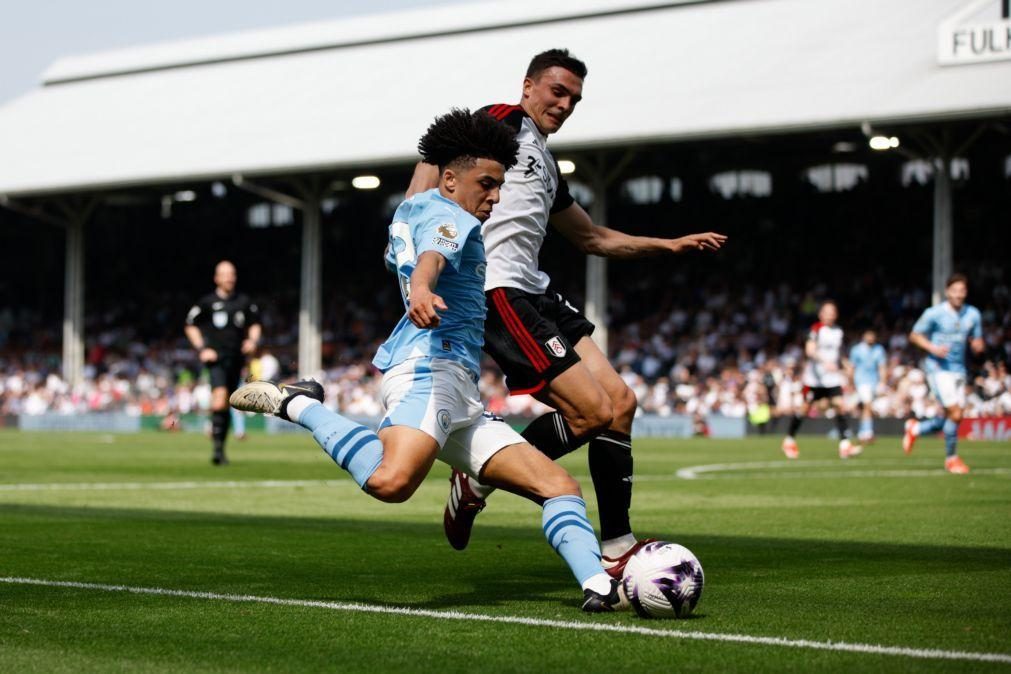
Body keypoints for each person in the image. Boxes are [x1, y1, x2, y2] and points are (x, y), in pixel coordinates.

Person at [230, 109, 626, 612]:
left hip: (459, 390)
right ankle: (301, 405)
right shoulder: (450, 216)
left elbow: (421, 235)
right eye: (487, 183)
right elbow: (432, 260)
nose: (496, 197)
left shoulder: (414, 208)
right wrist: (421, 289)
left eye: (501, 186)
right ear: (451, 178)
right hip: (427, 371)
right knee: (392, 482)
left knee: (558, 485)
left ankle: (598, 585)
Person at [407, 49, 726, 571]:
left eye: (574, 98)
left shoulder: (548, 164)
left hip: (538, 290)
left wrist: (669, 245)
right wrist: (411, 230)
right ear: (528, 87)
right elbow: (436, 155)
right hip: (498, 290)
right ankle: (480, 473)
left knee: (620, 403)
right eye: (557, 91)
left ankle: (619, 545)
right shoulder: (502, 122)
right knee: (591, 412)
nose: (565, 103)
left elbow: (593, 236)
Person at [902, 274, 984, 474]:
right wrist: (932, 348)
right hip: (938, 369)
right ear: (947, 292)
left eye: (962, 291)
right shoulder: (934, 313)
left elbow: (978, 340)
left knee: (955, 416)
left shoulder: (973, 314)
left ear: (966, 293)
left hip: (959, 370)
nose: (958, 295)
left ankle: (916, 429)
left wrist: (977, 345)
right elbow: (914, 335)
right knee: (955, 413)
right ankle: (951, 459)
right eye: (954, 290)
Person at [184, 260, 260, 465]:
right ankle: (217, 451)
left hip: (237, 359)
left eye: (232, 274)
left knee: (228, 402)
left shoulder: (244, 302)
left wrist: (252, 341)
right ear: (216, 278)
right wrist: (202, 348)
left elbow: (254, 325)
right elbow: (190, 325)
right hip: (216, 358)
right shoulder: (206, 302)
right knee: (219, 398)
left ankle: (221, 446)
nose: (229, 277)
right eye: (225, 274)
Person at [781, 300, 862, 460]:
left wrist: (846, 364)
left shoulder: (838, 331)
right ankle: (789, 440)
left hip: (832, 378)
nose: (831, 315)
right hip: (814, 379)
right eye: (828, 312)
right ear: (821, 314)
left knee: (840, 406)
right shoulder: (816, 330)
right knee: (804, 409)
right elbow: (809, 351)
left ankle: (845, 445)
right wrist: (824, 362)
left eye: (833, 312)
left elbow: (839, 354)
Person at [847, 329, 887, 443]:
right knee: (867, 404)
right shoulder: (857, 350)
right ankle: (868, 432)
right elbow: (852, 367)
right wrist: (850, 382)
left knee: (865, 408)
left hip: (874, 382)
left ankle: (861, 432)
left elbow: (882, 367)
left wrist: (882, 382)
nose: (870, 338)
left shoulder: (879, 350)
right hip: (861, 381)